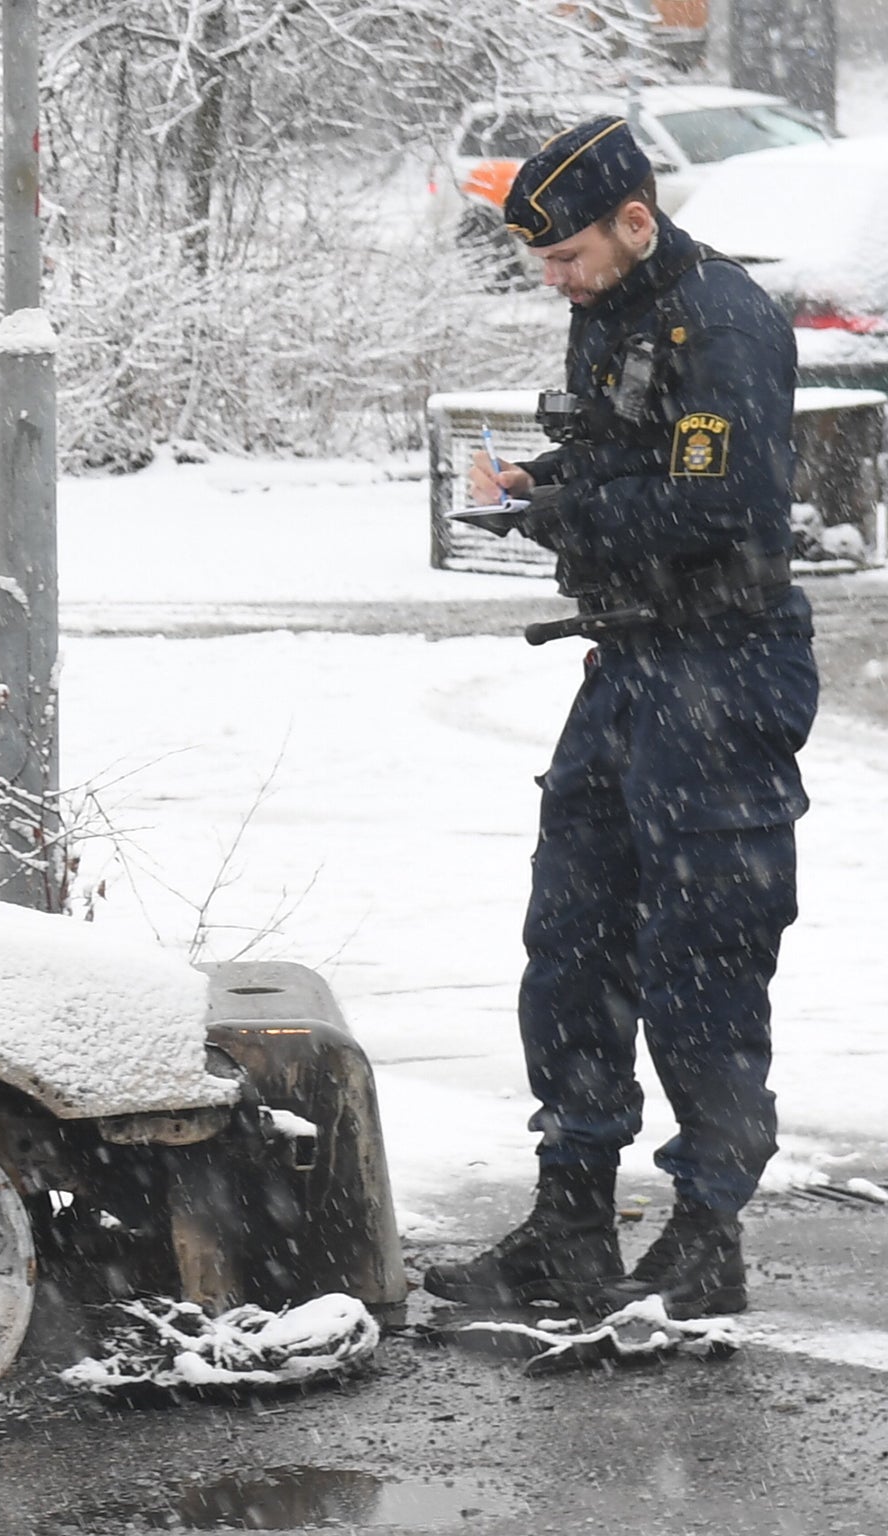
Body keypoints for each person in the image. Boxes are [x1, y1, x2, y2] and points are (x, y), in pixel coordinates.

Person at [421, 117, 817, 1320]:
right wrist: (551, 486)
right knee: (573, 936)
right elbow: (626, 461)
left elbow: (719, 505)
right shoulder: (613, 307)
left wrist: (563, 518)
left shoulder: (725, 324)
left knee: (701, 954)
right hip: (632, 660)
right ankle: (569, 1221)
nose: (552, 279)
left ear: (633, 221)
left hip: (724, 665)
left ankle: (705, 1232)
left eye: (566, 257)